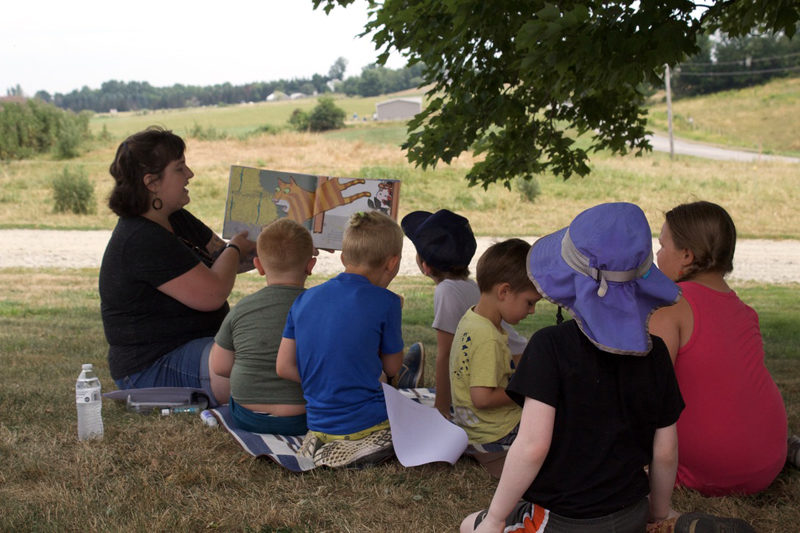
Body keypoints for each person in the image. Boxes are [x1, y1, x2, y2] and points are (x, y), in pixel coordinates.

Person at [462, 202, 687, 533]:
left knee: (471, 525)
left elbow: (532, 446)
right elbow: (665, 452)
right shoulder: (656, 355)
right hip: (632, 513)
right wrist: (658, 514)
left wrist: (494, 518)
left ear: (569, 281)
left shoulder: (549, 347)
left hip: (564, 520)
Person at [99, 126, 255, 407]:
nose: (190, 175)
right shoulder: (140, 238)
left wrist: (290, 244)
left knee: (266, 351)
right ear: (152, 182)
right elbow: (213, 293)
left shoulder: (175, 218)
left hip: (196, 348)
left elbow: (225, 261)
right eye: (180, 169)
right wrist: (235, 248)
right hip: (150, 367)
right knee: (258, 367)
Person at [649, 201, 788, 496]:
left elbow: (644, 390)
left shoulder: (671, 305)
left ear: (687, 255)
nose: (657, 255)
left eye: (662, 246)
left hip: (712, 469)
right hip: (767, 459)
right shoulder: (745, 311)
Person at [276, 211, 405, 467]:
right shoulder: (387, 302)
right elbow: (391, 369)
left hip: (317, 422)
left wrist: (331, 376)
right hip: (368, 420)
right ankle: (362, 445)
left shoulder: (303, 300)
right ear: (393, 263)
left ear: (344, 258)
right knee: (413, 425)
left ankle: (323, 442)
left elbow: (284, 366)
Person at [401, 209, 529, 418]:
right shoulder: (468, 285)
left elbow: (446, 355)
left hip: (512, 370)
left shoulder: (447, 291)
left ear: (425, 266)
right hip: (518, 361)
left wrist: (441, 410)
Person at [209, 219, 316, 435]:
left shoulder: (242, 308)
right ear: (310, 265)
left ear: (258, 266)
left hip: (248, 416)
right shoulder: (322, 306)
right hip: (308, 417)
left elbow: (220, 367)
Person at [449, 239, 541, 477]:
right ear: (504, 291)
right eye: (529, 303)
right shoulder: (487, 337)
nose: (532, 311)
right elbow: (482, 398)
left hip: (474, 427)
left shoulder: (471, 319)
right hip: (495, 431)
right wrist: (526, 389)